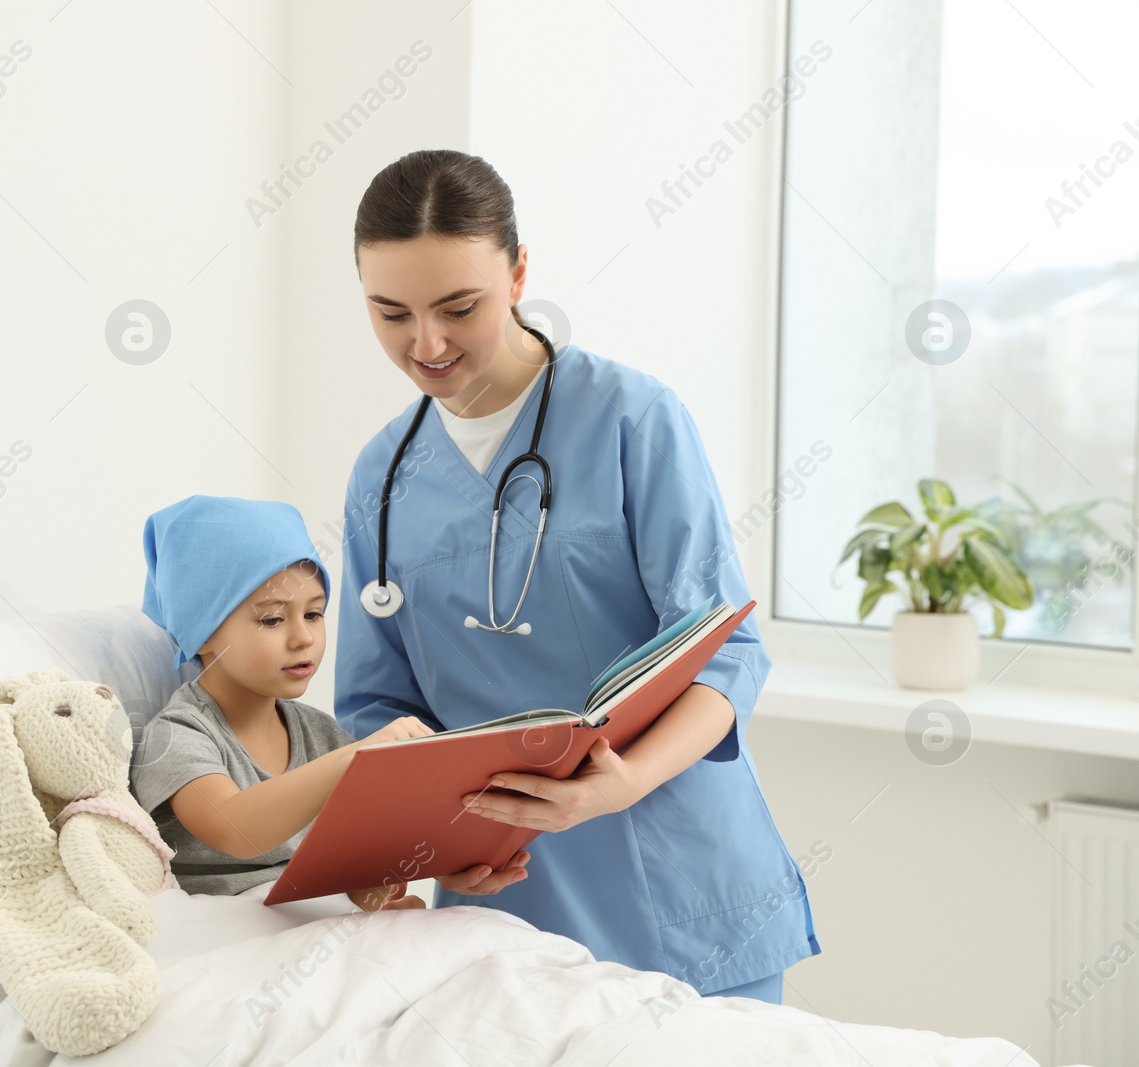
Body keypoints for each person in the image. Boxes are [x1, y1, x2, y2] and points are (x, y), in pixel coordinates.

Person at [333, 150, 820, 1003]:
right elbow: (378, 709)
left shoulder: (633, 418)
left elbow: (727, 650)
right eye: (391, 313)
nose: (428, 344)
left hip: (678, 867)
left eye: (459, 307)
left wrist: (624, 780)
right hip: (510, 891)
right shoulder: (382, 475)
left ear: (519, 273)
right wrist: (434, 846)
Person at [129, 494, 516, 911]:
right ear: (201, 634)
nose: (304, 638)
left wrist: (437, 864)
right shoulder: (177, 735)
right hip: (229, 931)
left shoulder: (320, 733)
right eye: (273, 619)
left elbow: (351, 868)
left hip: (304, 923)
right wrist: (355, 758)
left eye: (313, 614)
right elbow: (234, 829)